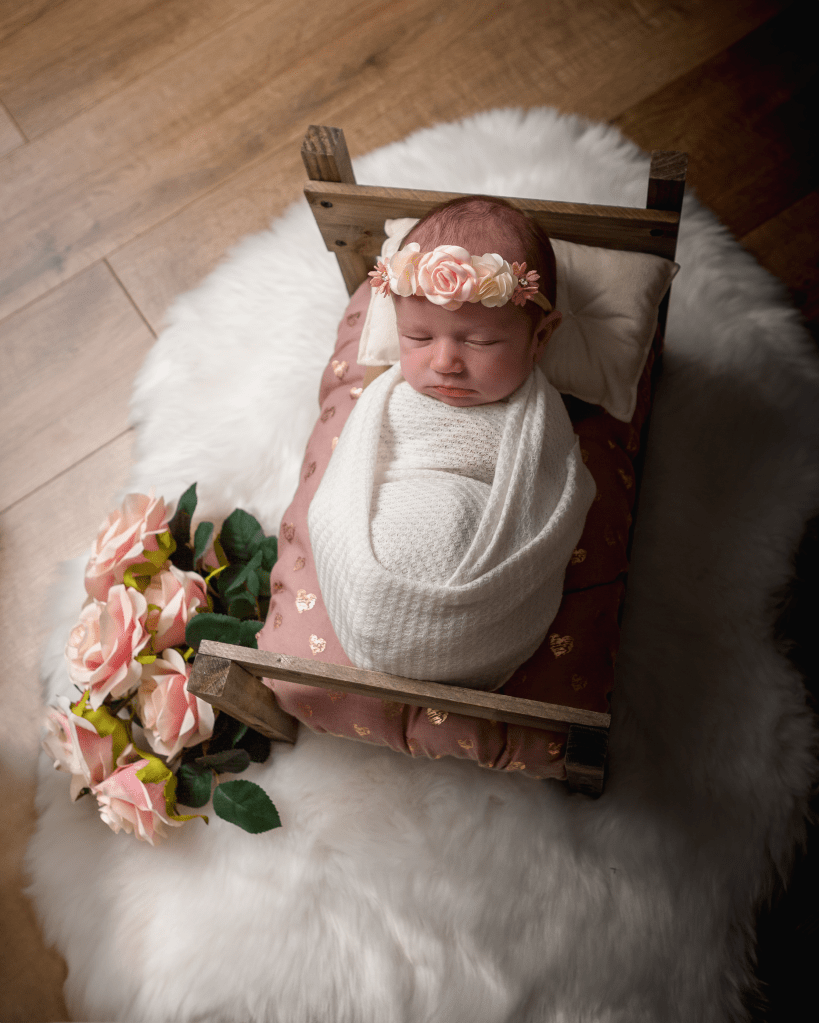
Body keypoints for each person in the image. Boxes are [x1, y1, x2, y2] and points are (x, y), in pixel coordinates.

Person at [307, 196, 596, 690]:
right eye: (418, 338)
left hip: (482, 599)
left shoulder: (537, 417)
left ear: (540, 336)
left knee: (458, 517)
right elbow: (350, 481)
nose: (445, 363)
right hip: (371, 576)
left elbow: (558, 495)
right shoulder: (389, 396)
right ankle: (382, 618)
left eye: (479, 343)